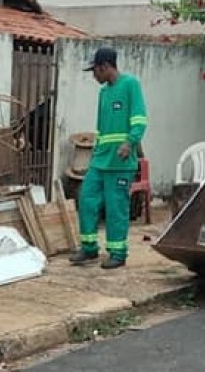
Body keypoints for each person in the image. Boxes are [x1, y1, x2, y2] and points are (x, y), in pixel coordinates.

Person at [69, 47, 148, 269]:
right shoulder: (103, 93)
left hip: (121, 163)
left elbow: (140, 120)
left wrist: (129, 142)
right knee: (86, 200)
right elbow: (101, 130)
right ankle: (89, 248)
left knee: (116, 208)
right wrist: (94, 155)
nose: (93, 76)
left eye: (94, 70)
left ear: (104, 66)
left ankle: (118, 253)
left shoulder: (130, 84)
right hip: (100, 161)